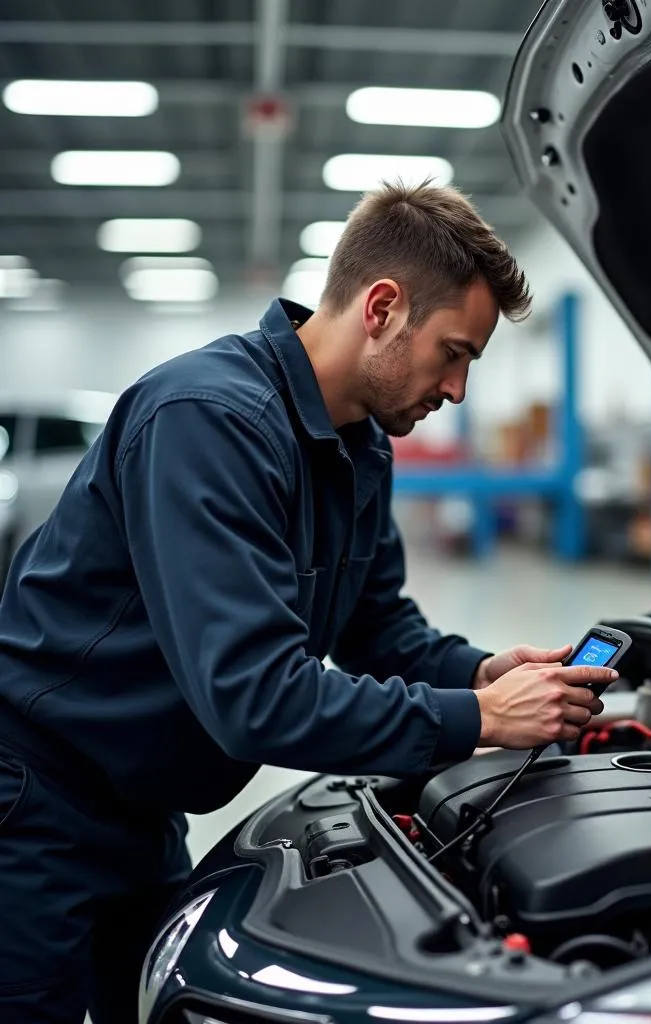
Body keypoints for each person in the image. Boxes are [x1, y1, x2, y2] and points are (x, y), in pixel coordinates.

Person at [0, 182, 614, 1022]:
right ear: (383, 307)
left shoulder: (360, 442)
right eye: (454, 352)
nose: (460, 389)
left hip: (143, 810)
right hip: (37, 806)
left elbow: (379, 626)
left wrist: (481, 672)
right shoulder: (206, 420)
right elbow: (257, 697)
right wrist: (481, 720)